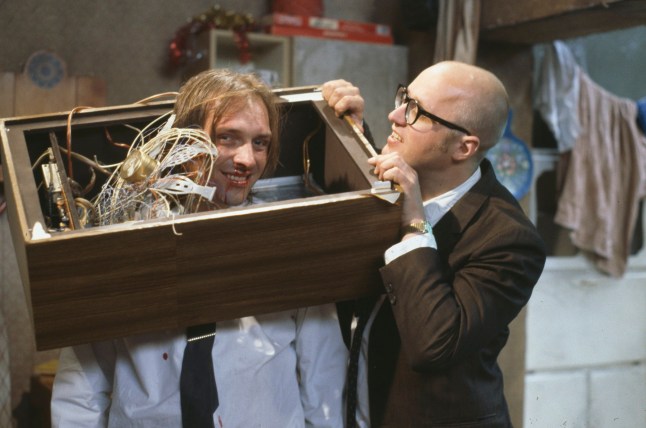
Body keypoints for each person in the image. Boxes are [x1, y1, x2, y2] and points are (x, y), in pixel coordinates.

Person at [50, 69, 348, 428]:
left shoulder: (290, 244)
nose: (247, 160)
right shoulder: (123, 248)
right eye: (228, 138)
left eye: (260, 143)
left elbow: (325, 382)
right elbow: (81, 388)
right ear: (184, 141)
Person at [322, 61, 547, 427]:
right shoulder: (402, 179)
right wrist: (350, 130)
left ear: (463, 147)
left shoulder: (510, 239)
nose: (394, 114)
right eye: (403, 98)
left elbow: (434, 344)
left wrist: (414, 222)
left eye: (416, 111)